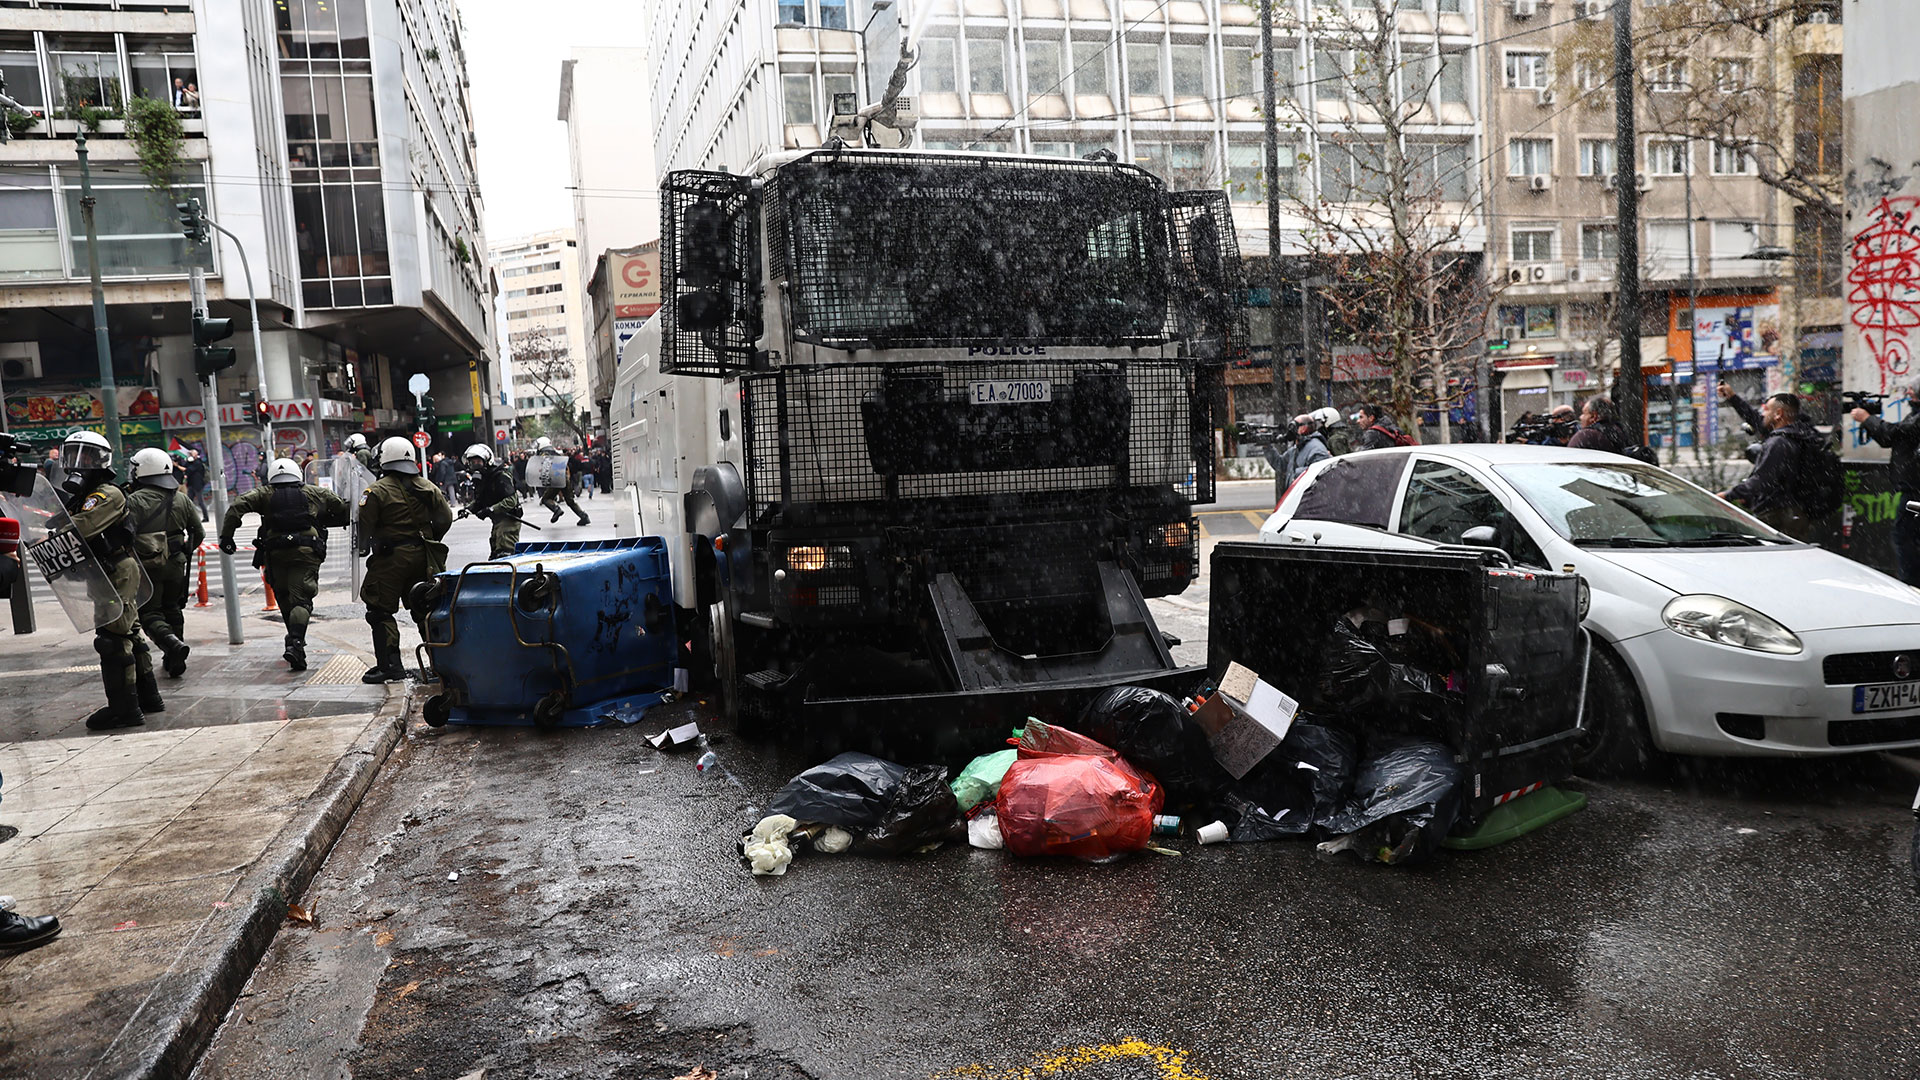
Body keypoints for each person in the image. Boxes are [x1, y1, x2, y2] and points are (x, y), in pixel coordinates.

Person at [57, 432, 164, 730]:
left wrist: (53, 529)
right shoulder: (85, 497)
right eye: (73, 455)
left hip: (115, 568)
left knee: (112, 640)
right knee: (129, 633)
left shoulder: (105, 494)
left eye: (86, 456)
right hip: (108, 569)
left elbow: (80, 528)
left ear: (101, 461)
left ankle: (124, 709)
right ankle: (148, 698)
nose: (78, 463)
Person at [220, 457, 351, 672]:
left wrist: (227, 537)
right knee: (302, 600)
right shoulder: (315, 492)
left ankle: (295, 645)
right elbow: (341, 507)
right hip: (306, 551)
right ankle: (296, 643)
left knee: (284, 598)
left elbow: (237, 506)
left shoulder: (263, 494)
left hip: (276, 552)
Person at [356, 436, 452, 683]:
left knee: (379, 611)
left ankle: (390, 666)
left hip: (391, 560)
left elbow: (364, 529)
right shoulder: (427, 486)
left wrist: (365, 546)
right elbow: (445, 518)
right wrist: (429, 537)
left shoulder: (375, 491)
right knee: (425, 609)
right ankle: (442, 665)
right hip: (423, 556)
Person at [126, 448, 201, 678]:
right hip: (177, 564)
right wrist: (184, 551)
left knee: (149, 613)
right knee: (173, 608)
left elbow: (125, 535)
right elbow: (198, 533)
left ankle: (171, 646)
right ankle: (174, 658)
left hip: (148, 566)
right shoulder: (181, 498)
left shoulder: (134, 500)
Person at [1722, 384, 1830, 541]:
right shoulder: (1800, 434)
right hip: (1797, 514)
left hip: (1778, 516)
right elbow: (1756, 420)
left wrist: (1727, 495)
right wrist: (1732, 397)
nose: (1762, 414)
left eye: (1766, 410)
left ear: (1778, 414)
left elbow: (1761, 481)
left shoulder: (1779, 442)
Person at [1854, 374, 1920, 583]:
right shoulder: (1915, 415)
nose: (1908, 392)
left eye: (1912, 389)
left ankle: (1911, 588)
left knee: (1906, 541)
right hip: (1912, 492)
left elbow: (1893, 434)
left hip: (1915, 493)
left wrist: (1867, 418)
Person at [462, 444, 521, 559]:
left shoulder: (500, 476)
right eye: (472, 462)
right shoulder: (484, 478)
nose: (475, 465)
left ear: (487, 461)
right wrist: (468, 509)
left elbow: (511, 501)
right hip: (497, 520)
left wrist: (491, 510)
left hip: (508, 520)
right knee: (495, 554)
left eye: (478, 461)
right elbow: (480, 499)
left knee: (504, 554)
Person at [1263, 412, 1331, 504]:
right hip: (1296, 501)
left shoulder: (1317, 450)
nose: (1291, 430)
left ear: (1304, 428)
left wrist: (1296, 474)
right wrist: (1267, 447)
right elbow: (1280, 464)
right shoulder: (1297, 448)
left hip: (1307, 504)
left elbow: (1321, 477)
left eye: (1294, 426)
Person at [533, 437, 589, 525]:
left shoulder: (544, 454)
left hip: (555, 478)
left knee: (546, 499)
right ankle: (584, 516)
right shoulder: (556, 453)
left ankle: (556, 509)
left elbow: (545, 468)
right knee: (570, 500)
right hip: (564, 477)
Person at [182, 448, 209, 521]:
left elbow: (188, 470)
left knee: (200, 501)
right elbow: (185, 466)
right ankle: (189, 518)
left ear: (196, 455)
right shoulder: (191, 462)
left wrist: (178, 466)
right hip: (191, 484)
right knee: (189, 502)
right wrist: (188, 459)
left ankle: (206, 517)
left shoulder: (198, 463)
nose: (190, 455)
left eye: (191, 454)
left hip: (197, 485)